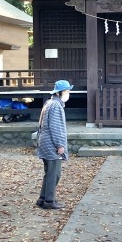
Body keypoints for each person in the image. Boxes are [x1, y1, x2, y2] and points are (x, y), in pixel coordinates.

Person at [36, 79, 73, 209]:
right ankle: (49, 200)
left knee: (49, 172)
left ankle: (42, 198)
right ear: (59, 93)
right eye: (66, 91)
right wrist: (60, 145)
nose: (68, 93)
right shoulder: (56, 106)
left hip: (44, 142)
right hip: (51, 143)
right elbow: (56, 128)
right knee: (54, 174)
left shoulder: (49, 103)